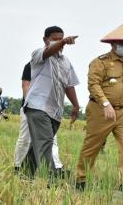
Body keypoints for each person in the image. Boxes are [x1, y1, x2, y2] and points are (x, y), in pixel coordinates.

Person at [76, 24, 123, 192]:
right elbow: (93, 85)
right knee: (93, 144)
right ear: (113, 44)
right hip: (101, 110)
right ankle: (81, 178)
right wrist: (105, 103)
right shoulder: (100, 62)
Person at [22, 26, 80, 179]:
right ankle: (51, 178)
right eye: (55, 39)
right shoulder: (39, 54)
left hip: (55, 110)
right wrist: (63, 43)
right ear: (45, 40)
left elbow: (69, 84)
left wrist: (75, 105)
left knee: (38, 145)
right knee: (46, 141)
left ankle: (24, 175)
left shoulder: (66, 62)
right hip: (37, 106)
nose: (59, 42)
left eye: (61, 38)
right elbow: (48, 51)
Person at [14, 62, 64, 175]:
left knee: (51, 139)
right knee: (25, 139)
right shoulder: (31, 65)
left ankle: (57, 167)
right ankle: (17, 166)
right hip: (31, 107)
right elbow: (25, 85)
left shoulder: (58, 66)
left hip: (49, 109)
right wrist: (30, 104)